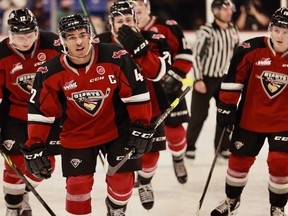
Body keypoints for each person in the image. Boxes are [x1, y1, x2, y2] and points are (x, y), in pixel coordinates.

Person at [21, 13, 155, 216]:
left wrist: (141, 125)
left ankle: (116, 208)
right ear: (63, 40)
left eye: (83, 34)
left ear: (91, 34)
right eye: (72, 36)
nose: (79, 41)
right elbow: (41, 111)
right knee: (78, 186)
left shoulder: (116, 57)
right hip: (77, 133)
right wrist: (36, 143)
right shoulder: (49, 71)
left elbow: (136, 93)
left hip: (117, 128)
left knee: (122, 181)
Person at [211, 7, 288, 216]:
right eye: (276, 29)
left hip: (284, 122)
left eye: (286, 31)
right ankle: (231, 200)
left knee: (280, 163)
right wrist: (226, 108)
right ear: (270, 28)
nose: (279, 36)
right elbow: (233, 79)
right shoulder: (250, 48)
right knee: (238, 160)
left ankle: (278, 205)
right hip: (250, 118)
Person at [96, 0, 172, 210]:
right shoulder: (99, 42)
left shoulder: (154, 39)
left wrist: (140, 49)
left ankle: (145, 182)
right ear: (111, 24)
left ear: (136, 20)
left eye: (129, 19)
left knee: (149, 157)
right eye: (119, 21)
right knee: (121, 163)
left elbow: (159, 74)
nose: (124, 24)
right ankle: (119, 201)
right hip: (113, 113)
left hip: (149, 108)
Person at [0, 8, 62, 216]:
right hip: (14, 116)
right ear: (10, 34)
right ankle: (13, 207)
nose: (25, 41)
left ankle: (24, 192)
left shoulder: (53, 43)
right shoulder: (1, 54)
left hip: (47, 115)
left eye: (29, 35)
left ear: (36, 31)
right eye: (19, 36)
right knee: (16, 163)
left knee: (46, 165)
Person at [131, 0, 193, 184]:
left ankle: (178, 157)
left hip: (168, 88)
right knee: (139, 136)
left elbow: (185, 54)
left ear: (148, 6)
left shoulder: (167, 26)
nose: (138, 6)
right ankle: (142, 174)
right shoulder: (121, 32)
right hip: (140, 93)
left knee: (175, 132)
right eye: (132, 3)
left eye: (141, 2)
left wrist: (174, 76)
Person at [185, 0, 239, 161]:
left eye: (230, 9)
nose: (229, 12)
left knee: (226, 113)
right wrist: (198, 79)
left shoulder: (233, 30)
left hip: (224, 79)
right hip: (206, 79)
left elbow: (236, 55)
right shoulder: (207, 30)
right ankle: (190, 146)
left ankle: (222, 147)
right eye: (225, 9)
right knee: (198, 116)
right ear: (216, 11)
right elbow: (196, 56)